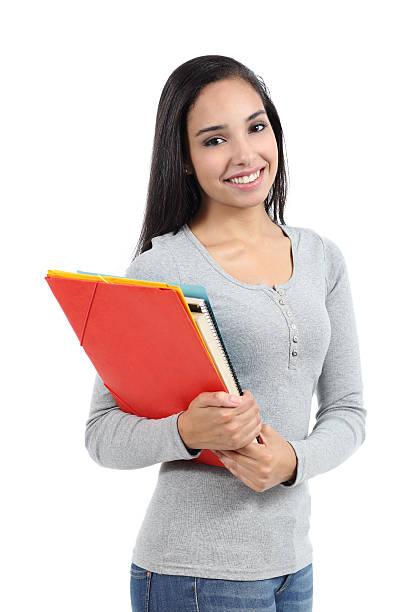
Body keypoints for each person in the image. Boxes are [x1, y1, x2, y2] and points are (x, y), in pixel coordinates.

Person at [85, 55, 366, 612]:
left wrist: (294, 462)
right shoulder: (161, 270)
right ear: (184, 159)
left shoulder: (321, 258)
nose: (245, 154)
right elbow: (102, 434)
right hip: (192, 575)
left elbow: (350, 410)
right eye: (214, 140)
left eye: (256, 127)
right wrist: (187, 431)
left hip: (294, 569)